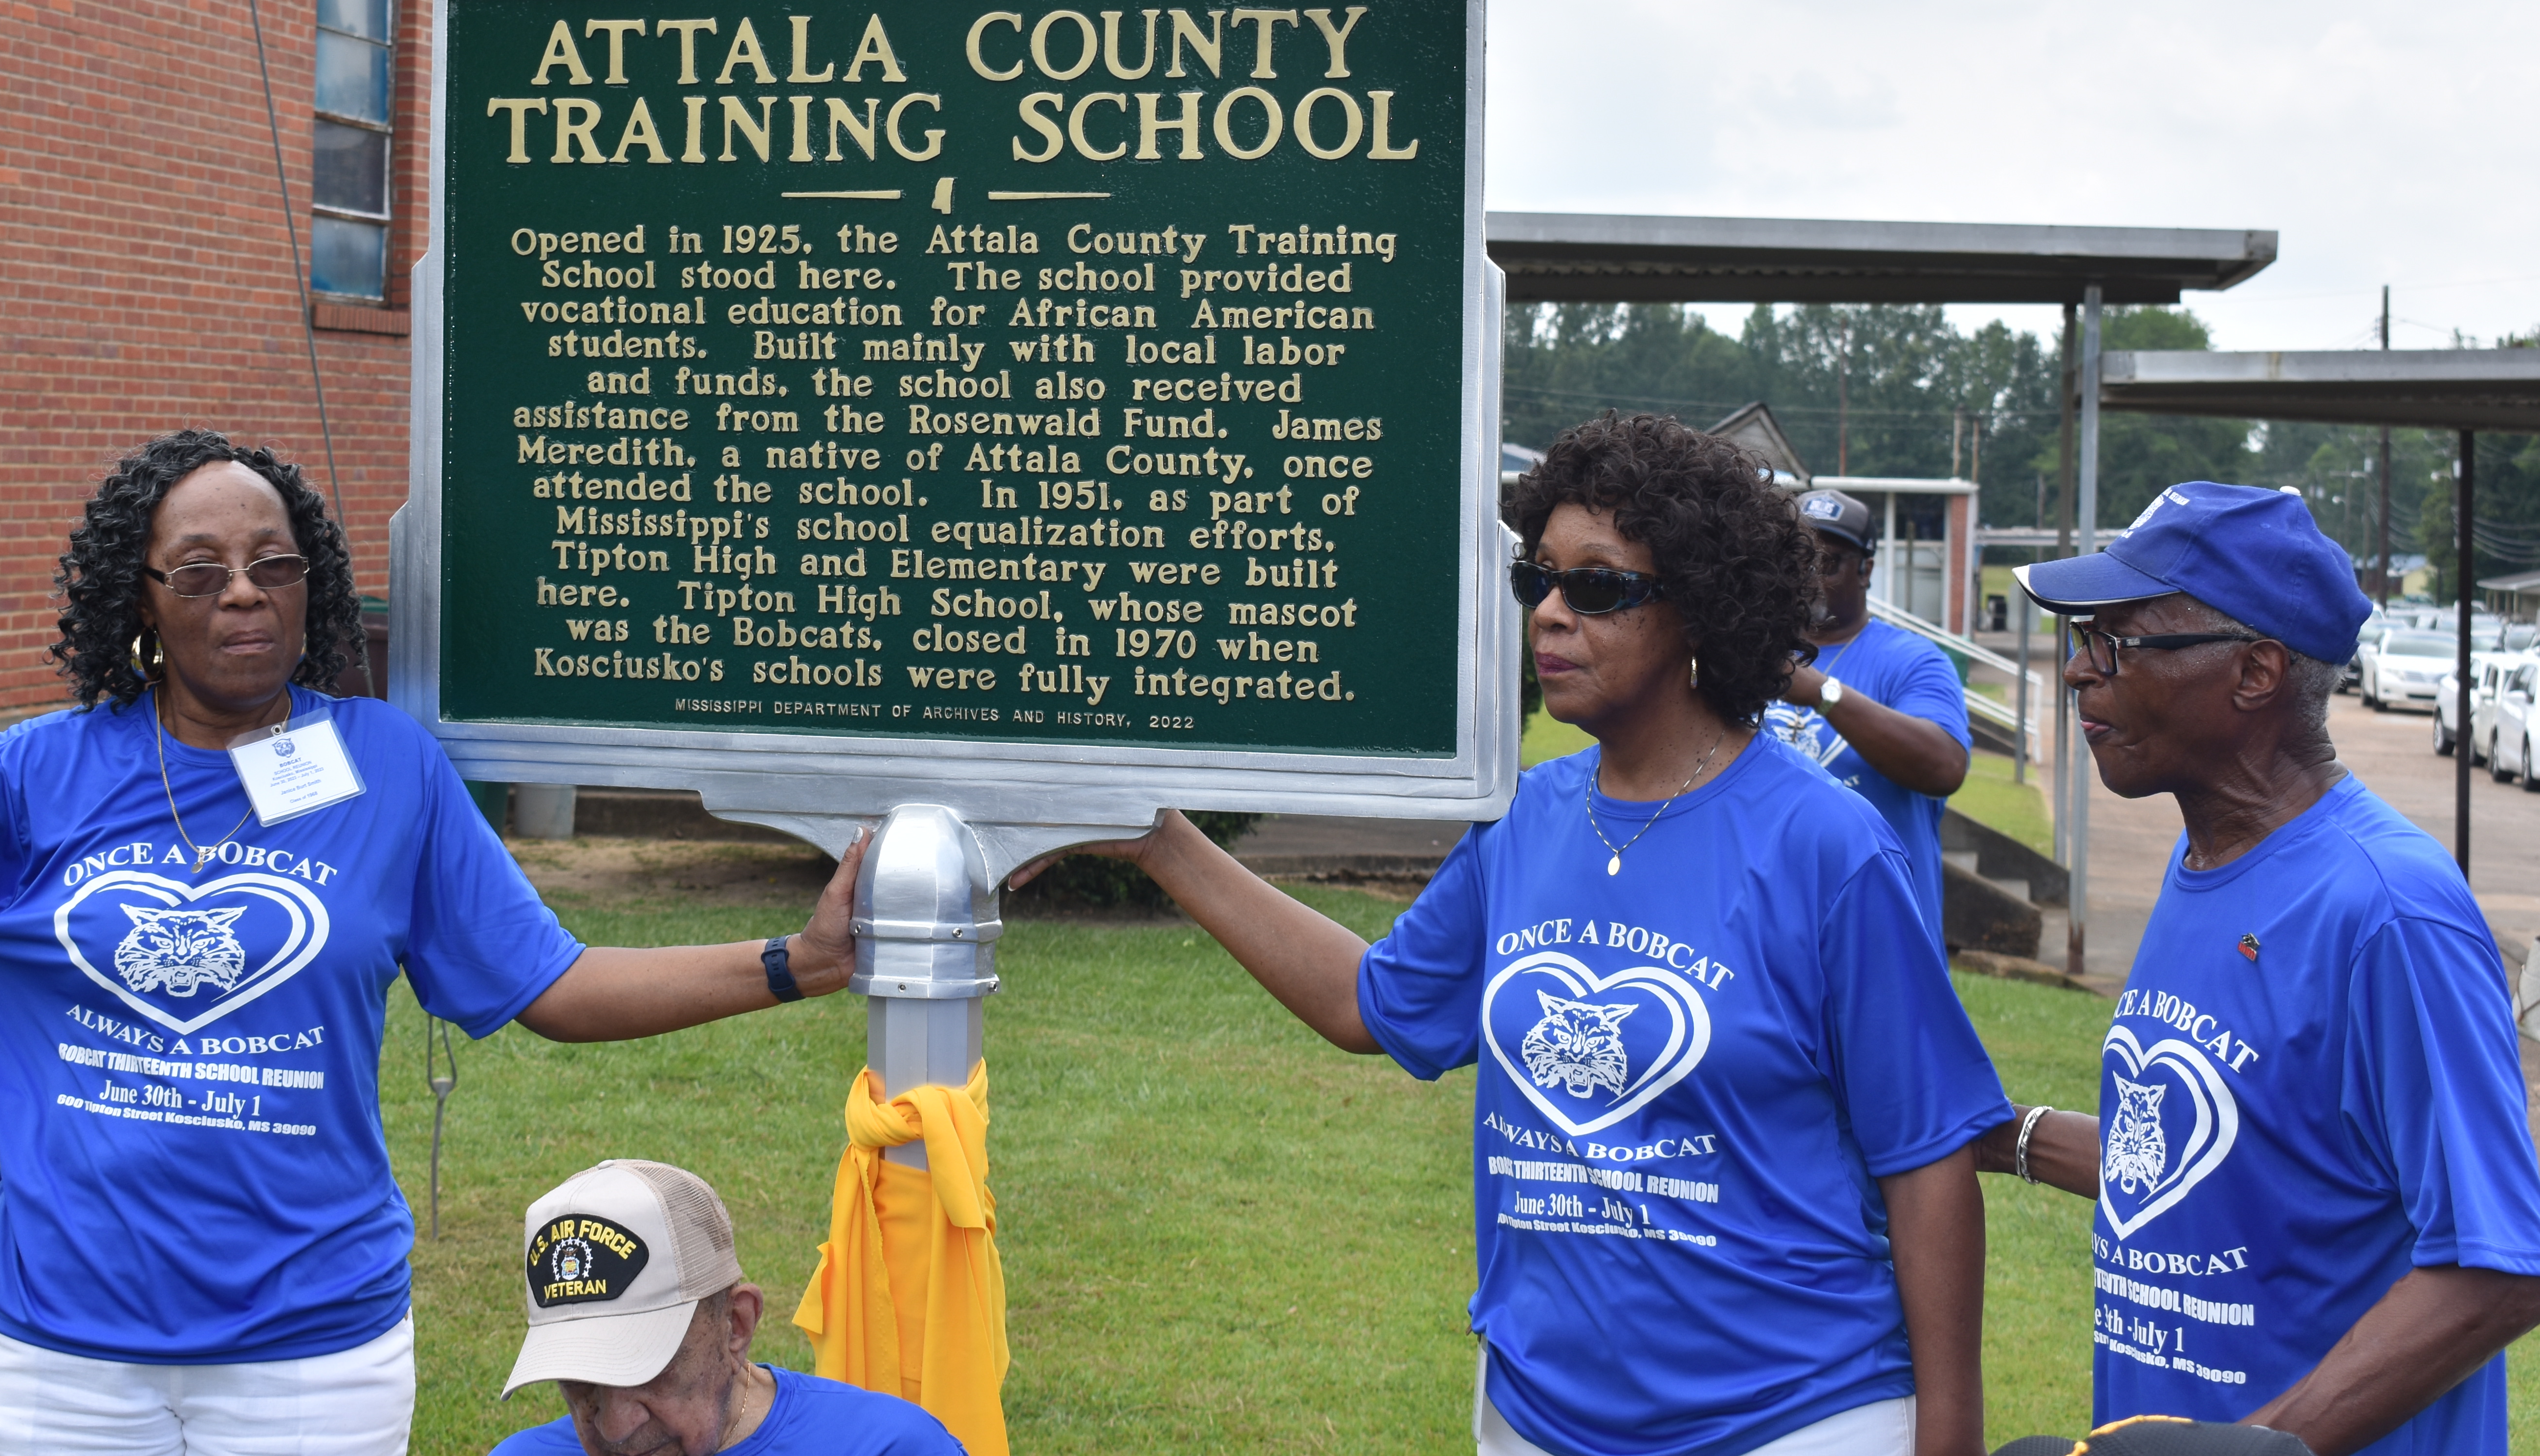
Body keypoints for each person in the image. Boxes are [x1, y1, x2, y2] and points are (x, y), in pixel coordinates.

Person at [0, 431, 868, 1456]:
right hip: (56, 1343)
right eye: (199, 570)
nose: (243, 592)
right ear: (140, 596)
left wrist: (797, 963)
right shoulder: (34, 776)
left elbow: (553, 981)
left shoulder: (386, 767)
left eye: (273, 564)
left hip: (314, 1345)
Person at [1024, 413, 2010, 1456]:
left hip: (1792, 1417)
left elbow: (1927, 1156)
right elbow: (1370, 1002)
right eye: (1537, 579)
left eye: (1597, 587)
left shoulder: (1827, 845)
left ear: (1700, 608)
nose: (1548, 613)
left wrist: (1948, 1435)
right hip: (1533, 1414)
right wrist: (1160, 839)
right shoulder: (1526, 818)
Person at [1983, 481, 2540, 1456]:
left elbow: (2500, 1268)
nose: (2077, 669)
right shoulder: (2203, 859)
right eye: (2082, 637)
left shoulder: (2387, 908)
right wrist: (1992, 1136)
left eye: (2117, 641)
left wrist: (2250, 1448)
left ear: (2255, 671)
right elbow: (2221, 1162)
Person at [490, 1160, 965, 1455]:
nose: (613, 1428)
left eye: (645, 1371)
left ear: (736, 1324)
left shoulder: (887, 1447)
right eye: (580, 1380)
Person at [1763, 490, 1972, 920]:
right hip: (1773, 924)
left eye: (1828, 562)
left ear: (1866, 570)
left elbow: (1945, 767)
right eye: (1796, 558)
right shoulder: (1750, 655)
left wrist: (1823, 694)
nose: (1808, 574)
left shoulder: (1912, 660)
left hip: (1881, 927)